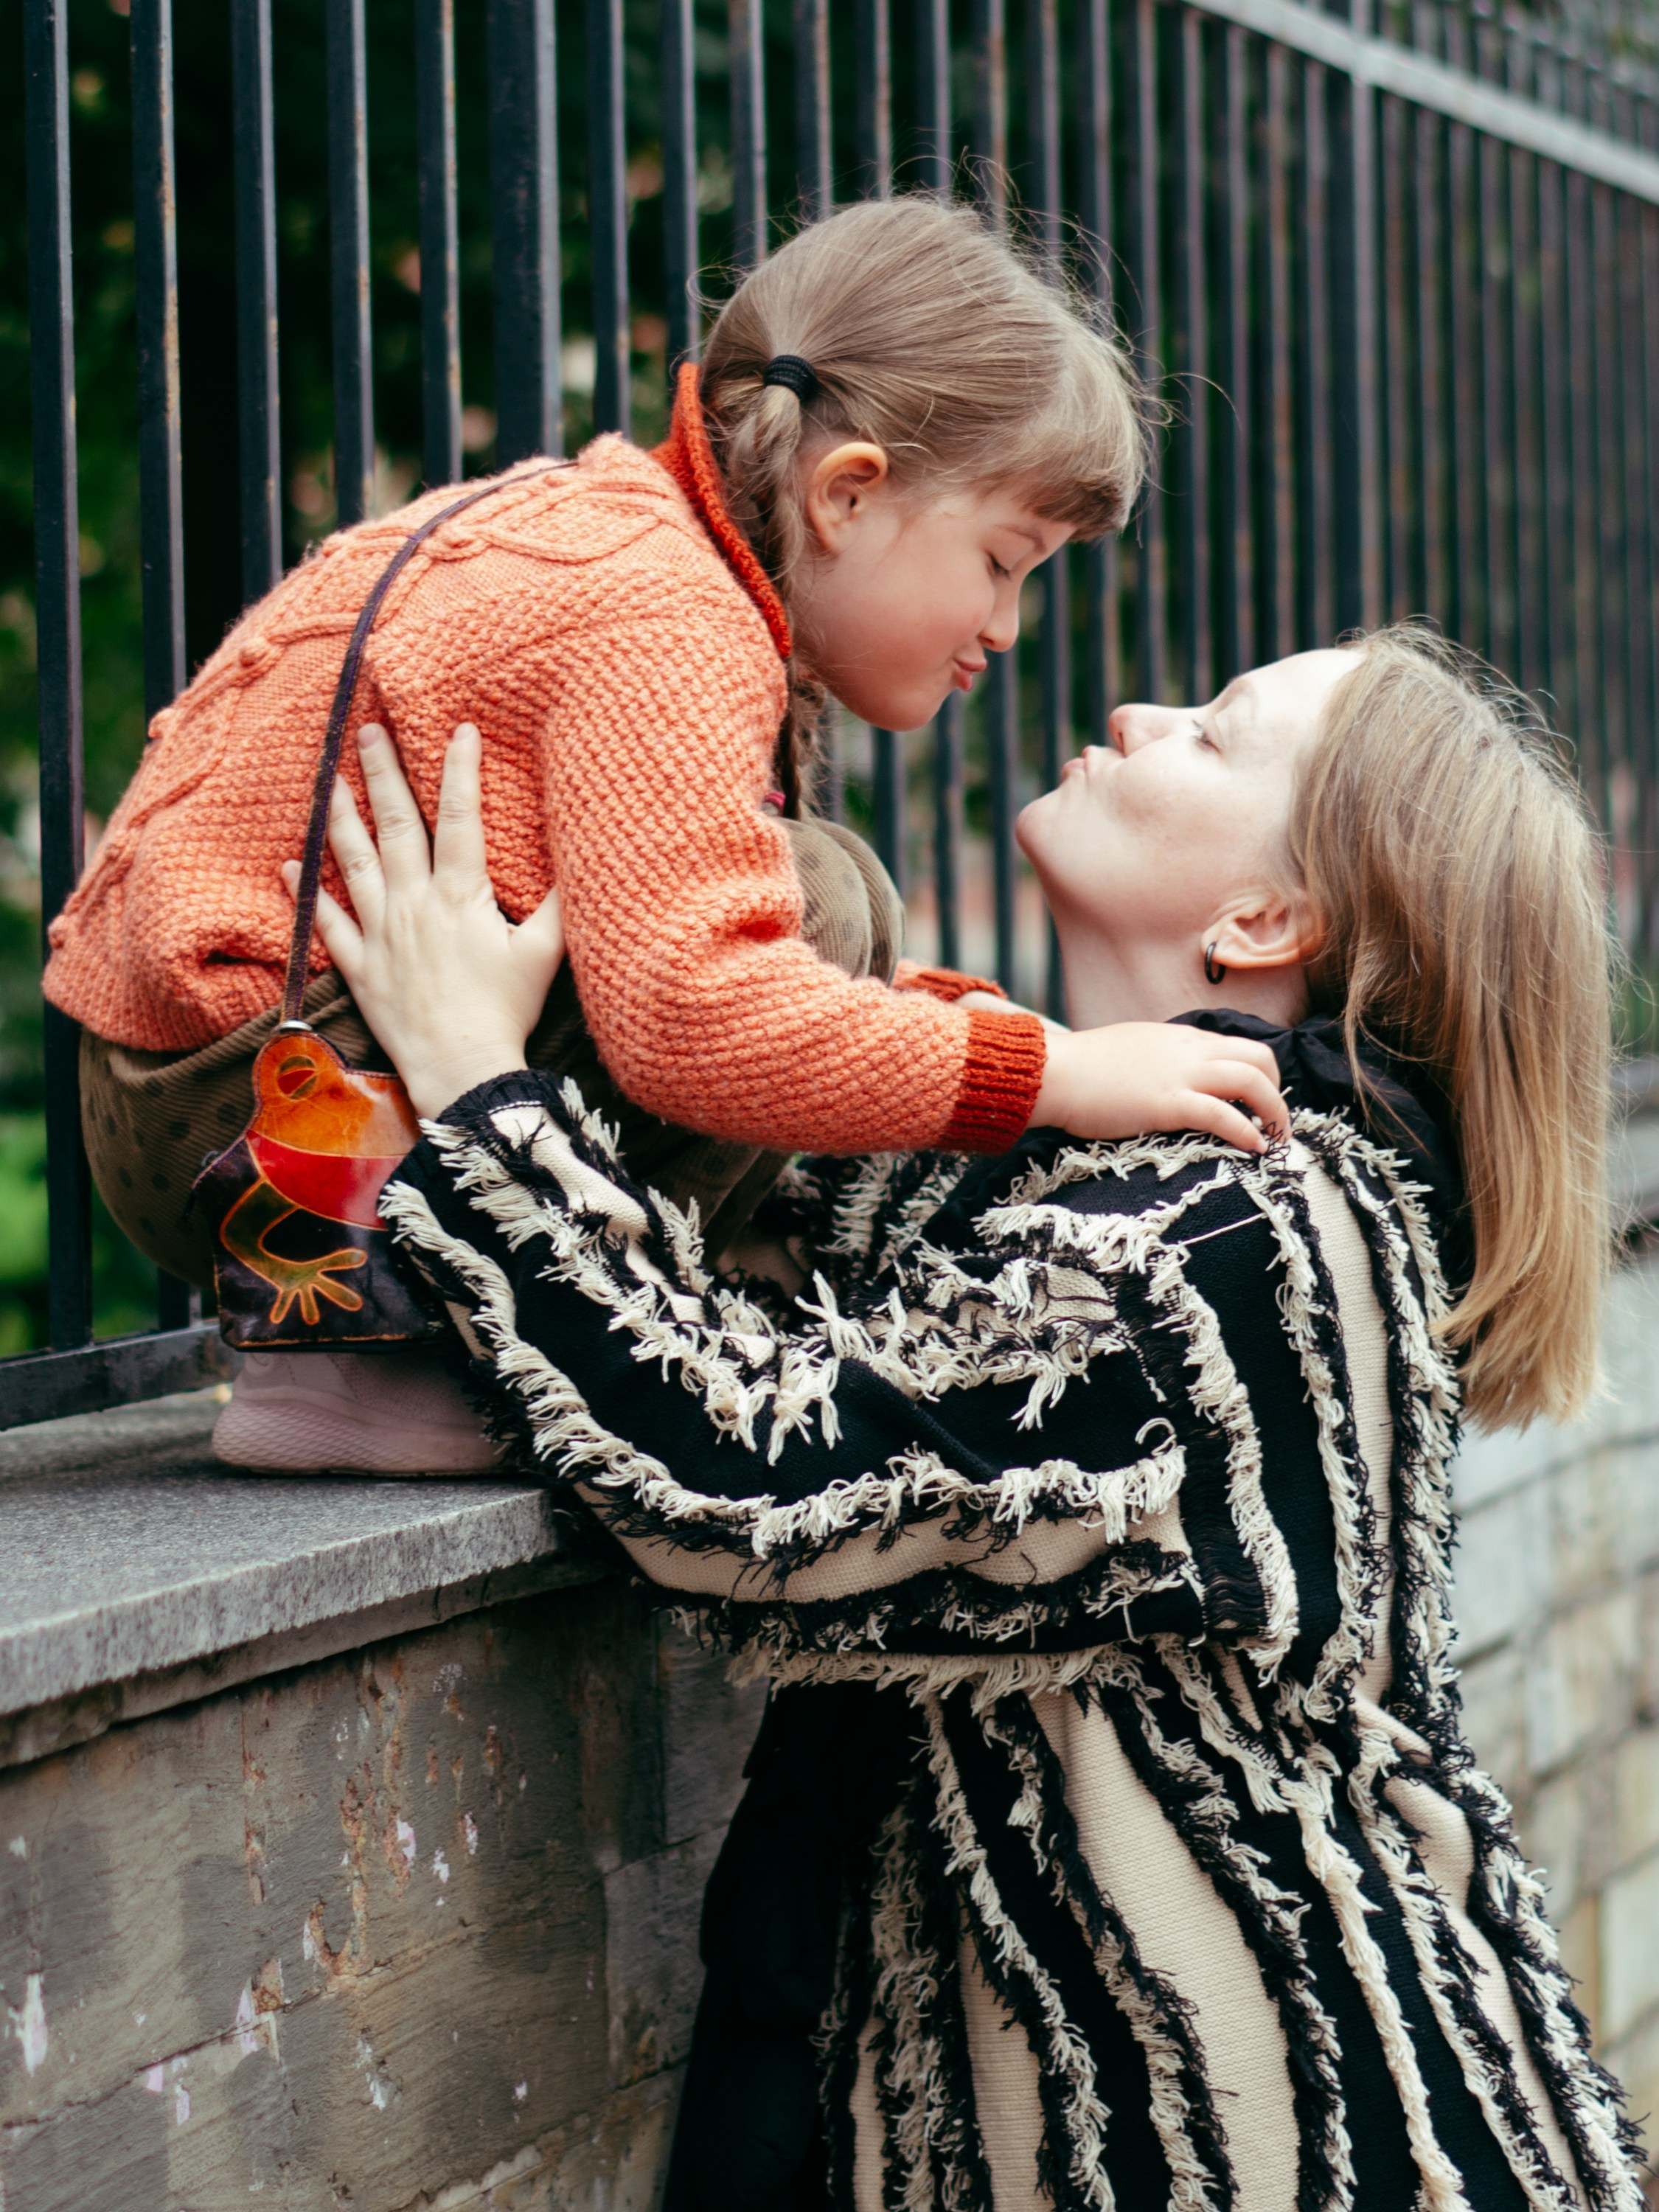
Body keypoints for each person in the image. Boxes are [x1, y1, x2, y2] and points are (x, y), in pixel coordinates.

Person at [305, 623, 1641, 2211]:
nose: (1136, 705)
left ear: (1264, 917)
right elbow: (791, 1208)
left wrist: (467, 1075)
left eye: (1213, 734)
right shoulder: (1075, 1178)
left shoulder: (1234, 1240)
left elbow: (746, 1471)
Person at [41, 193, 1283, 1475]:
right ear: (847, 496)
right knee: (821, 902)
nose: (1008, 625)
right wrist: (1052, 1074)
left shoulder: (618, 540)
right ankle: (385, 1360)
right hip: (271, 1121)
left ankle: (437, 1331)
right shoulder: (665, 618)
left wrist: (1002, 1050)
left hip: (204, 1089)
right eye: (1004, 560)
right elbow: (696, 1016)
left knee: (796, 917)